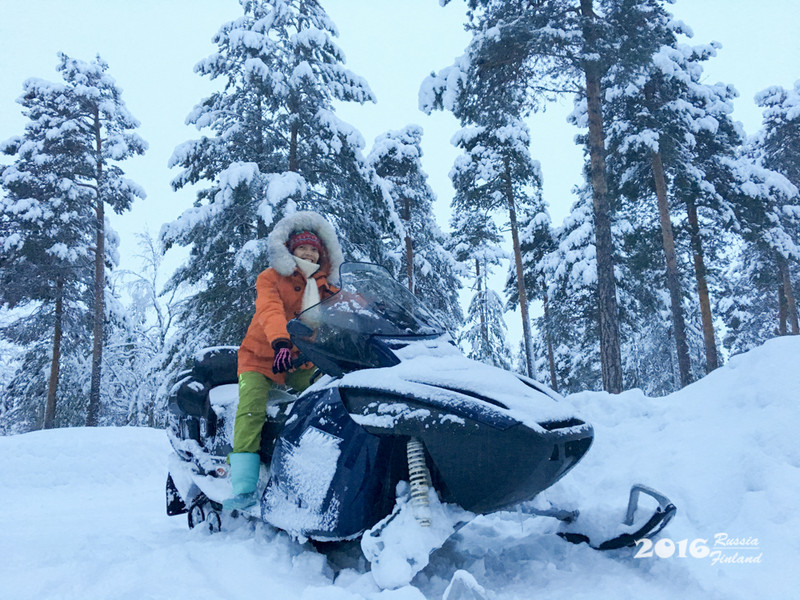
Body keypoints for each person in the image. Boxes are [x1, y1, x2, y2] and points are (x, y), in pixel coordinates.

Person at [223, 210, 344, 511]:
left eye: (314, 248)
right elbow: (269, 310)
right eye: (303, 247)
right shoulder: (270, 278)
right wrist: (280, 341)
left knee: (332, 393)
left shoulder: (326, 286)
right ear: (291, 250)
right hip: (261, 357)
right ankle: (244, 486)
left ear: (322, 253)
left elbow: (351, 305)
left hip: (301, 361)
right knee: (251, 409)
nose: (309, 252)